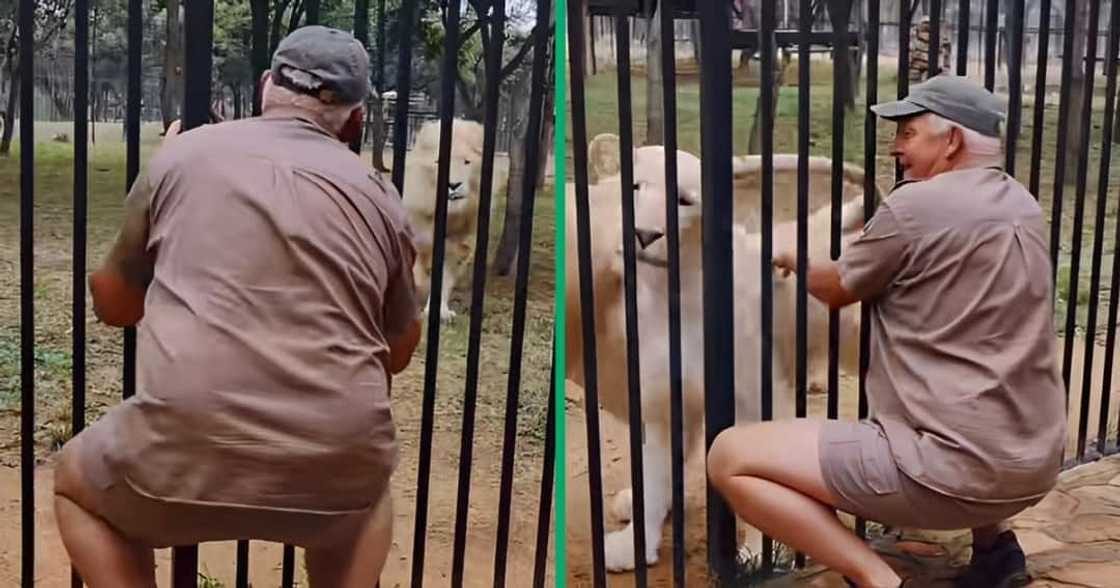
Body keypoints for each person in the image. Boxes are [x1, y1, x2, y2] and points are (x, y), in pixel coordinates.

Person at [53, 25, 421, 588]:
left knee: (76, 487)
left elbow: (116, 306)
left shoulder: (181, 157)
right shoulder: (380, 195)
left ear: (267, 85)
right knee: (365, 506)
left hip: (182, 443)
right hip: (336, 453)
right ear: (355, 120)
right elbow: (398, 352)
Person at [707, 74, 1066, 588]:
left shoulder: (914, 206)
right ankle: (997, 550)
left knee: (730, 457)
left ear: (952, 140)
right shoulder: (1022, 204)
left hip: (949, 473)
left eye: (908, 133)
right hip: (1034, 461)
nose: (896, 147)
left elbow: (837, 287)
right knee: (975, 372)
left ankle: (878, 579)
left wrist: (791, 254)